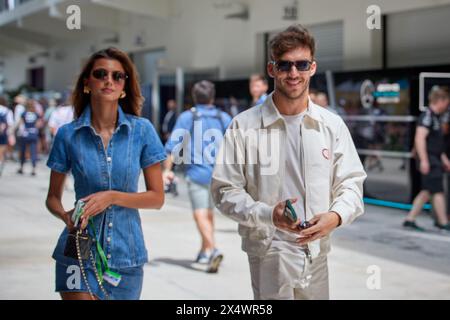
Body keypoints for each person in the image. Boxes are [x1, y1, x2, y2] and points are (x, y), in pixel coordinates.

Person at [211, 25, 366, 300]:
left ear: (312, 68)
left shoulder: (331, 125)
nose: (293, 73)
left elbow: (351, 182)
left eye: (301, 65)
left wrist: (336, 216)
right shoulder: (244, 126)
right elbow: (224, 191)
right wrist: (268, 214)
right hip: (268, 252)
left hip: (317, 253)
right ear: (272, 69)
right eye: (285, 65)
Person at [45, 47, 166, 300]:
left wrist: (111, 197)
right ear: (87, 82)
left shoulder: (142, 131)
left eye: (117, 76)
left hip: (127, 255)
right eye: (101, 74)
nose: (109, 80)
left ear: (124, 86)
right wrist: (66, 216)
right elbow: (52, 198)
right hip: (76, 250)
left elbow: (157, 198)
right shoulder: (68, 135)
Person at [164, 80, 232, 273]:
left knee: (200, 213)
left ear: (194, 97)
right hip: (220, 175)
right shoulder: (223, 117)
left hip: (197, 173)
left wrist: (166, 170)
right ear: (212, 96)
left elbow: (173, 146)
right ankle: (204, 250)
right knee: (208, 213)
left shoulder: (188, 117)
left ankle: (212, 249)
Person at [403, 86, 450, 231]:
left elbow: (435, 143)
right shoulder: (427, 116)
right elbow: (420, 138)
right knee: (436, 190)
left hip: (434, 158)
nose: (448, 105)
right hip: (429, 159)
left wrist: (444, 160)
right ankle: (442, 221)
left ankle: (410, 219)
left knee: (428, 191)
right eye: (447, 102)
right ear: (440, 101)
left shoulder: (436, 117)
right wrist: (424, 160)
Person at [17, 99, 41, 176]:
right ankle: (33, 169)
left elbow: (20, 123)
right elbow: (38, 124)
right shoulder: (36, 114)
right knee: (33, 151)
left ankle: (21, 167)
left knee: (23, 150)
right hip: (33, 133)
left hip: (25, 133)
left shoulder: (24, 113)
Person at [0, 96, 14, 176]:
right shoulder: (7, 111)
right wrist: (10, 135)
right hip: (3, 133)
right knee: (1, 150)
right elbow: (10, 124)